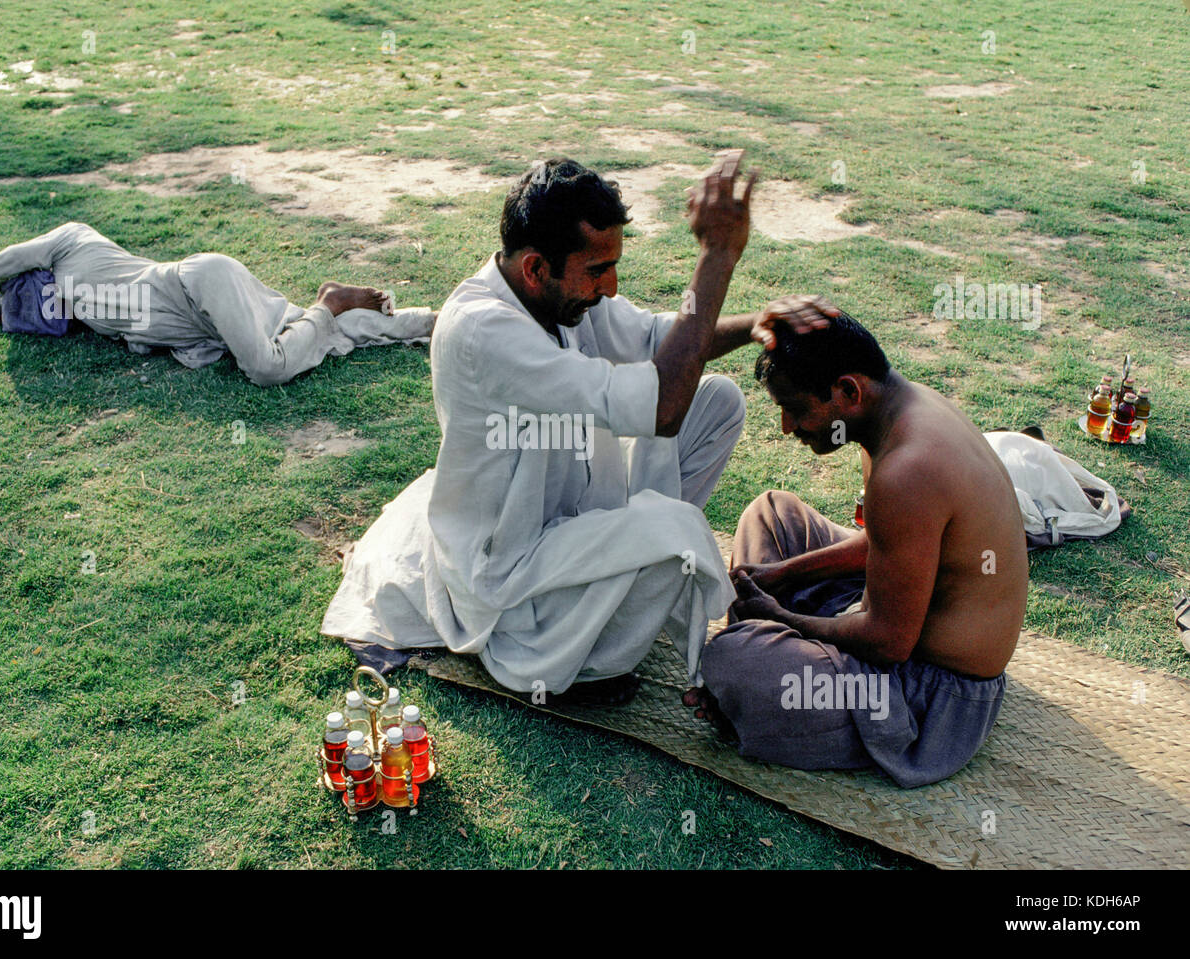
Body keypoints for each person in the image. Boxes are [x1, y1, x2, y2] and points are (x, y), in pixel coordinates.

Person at [324, 151, 830, 704]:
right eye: (597, 270)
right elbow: (661, 407)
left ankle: (620, 582)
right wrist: (717, 258)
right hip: (514, 564)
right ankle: (576, 659)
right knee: (678, 532)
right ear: (536, 268)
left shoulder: (563, 297)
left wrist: (757, 324)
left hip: (576, 508)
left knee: (717, 402)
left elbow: (663, 344)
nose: (610, 288)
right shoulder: (483, 330)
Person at [684, 311, 1028, 787]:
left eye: (796, 408)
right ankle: (764, 666)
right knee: (772, 513)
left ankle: (755, 679)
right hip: (889, 621)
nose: (787, 427)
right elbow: (885, 543)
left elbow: (889, 644)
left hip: (924, 693)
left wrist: (780, 617)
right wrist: (782, 575)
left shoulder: (908, 470)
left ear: (848, 391)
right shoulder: (894, 409)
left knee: (732, 664)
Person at [0, 221, 435, 386]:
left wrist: (31, 261)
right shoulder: (60, 302)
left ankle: (330, 300)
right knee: (325, 336)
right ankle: (440, 321)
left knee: (268, 369)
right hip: (199, 319)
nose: (29, 298)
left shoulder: (71, 240)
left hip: (197, 282)